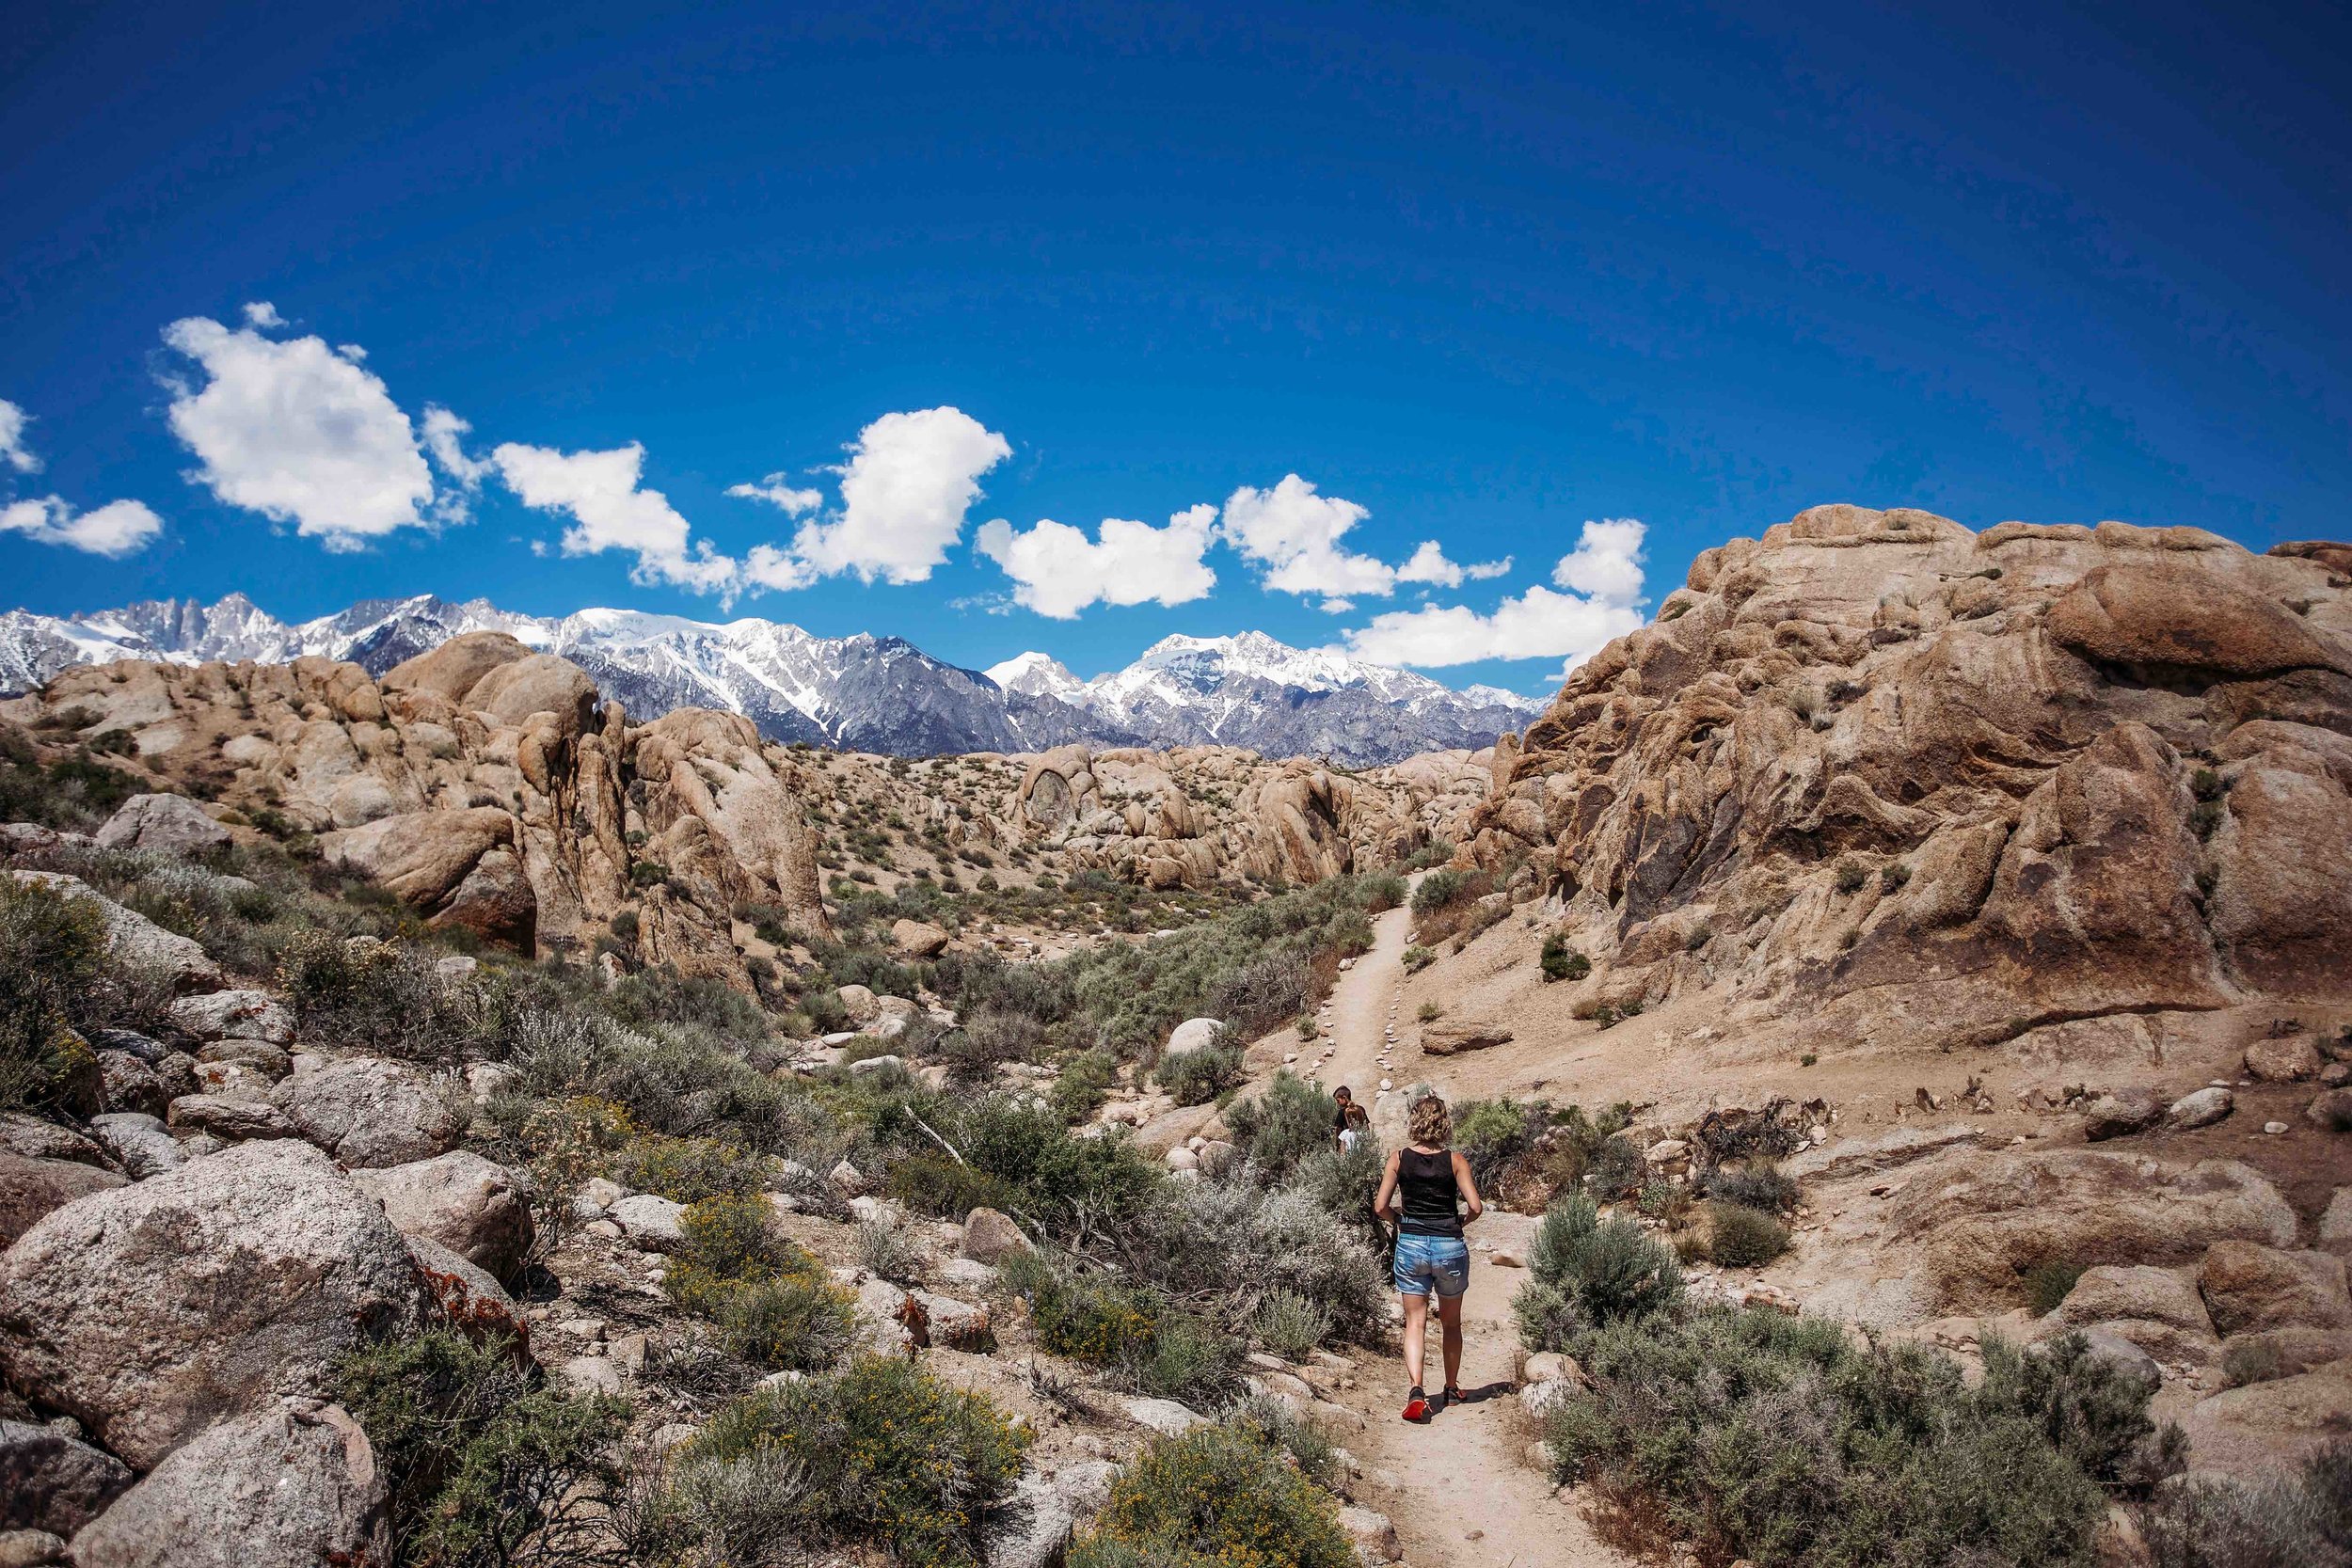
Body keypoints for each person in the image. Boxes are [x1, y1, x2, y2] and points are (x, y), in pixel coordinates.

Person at [1374, 1091, 1483, 1422]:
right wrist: (1460, 1222)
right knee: (1451, 1323)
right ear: (1444, 1124)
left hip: (1411, 1245)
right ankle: (1451, 1388)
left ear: (1415, 1121)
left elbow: (1380, 1207)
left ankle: (1417, 1391)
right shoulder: (1456, 1160)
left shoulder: (1397, 1158)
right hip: (1449, 1244)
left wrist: (1400, 1222)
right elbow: (1476, 1206)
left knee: (1415, 1323)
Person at [1331, 1085, 1356, 1150]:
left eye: (1338, 1100)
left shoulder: (1342, 1112)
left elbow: (1337, 1129)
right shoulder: (1360, 1109)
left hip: (1346, 1141)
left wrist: (1337, 1144)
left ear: (1344, 1098)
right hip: (1359, 1139)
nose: (1337, 1103)